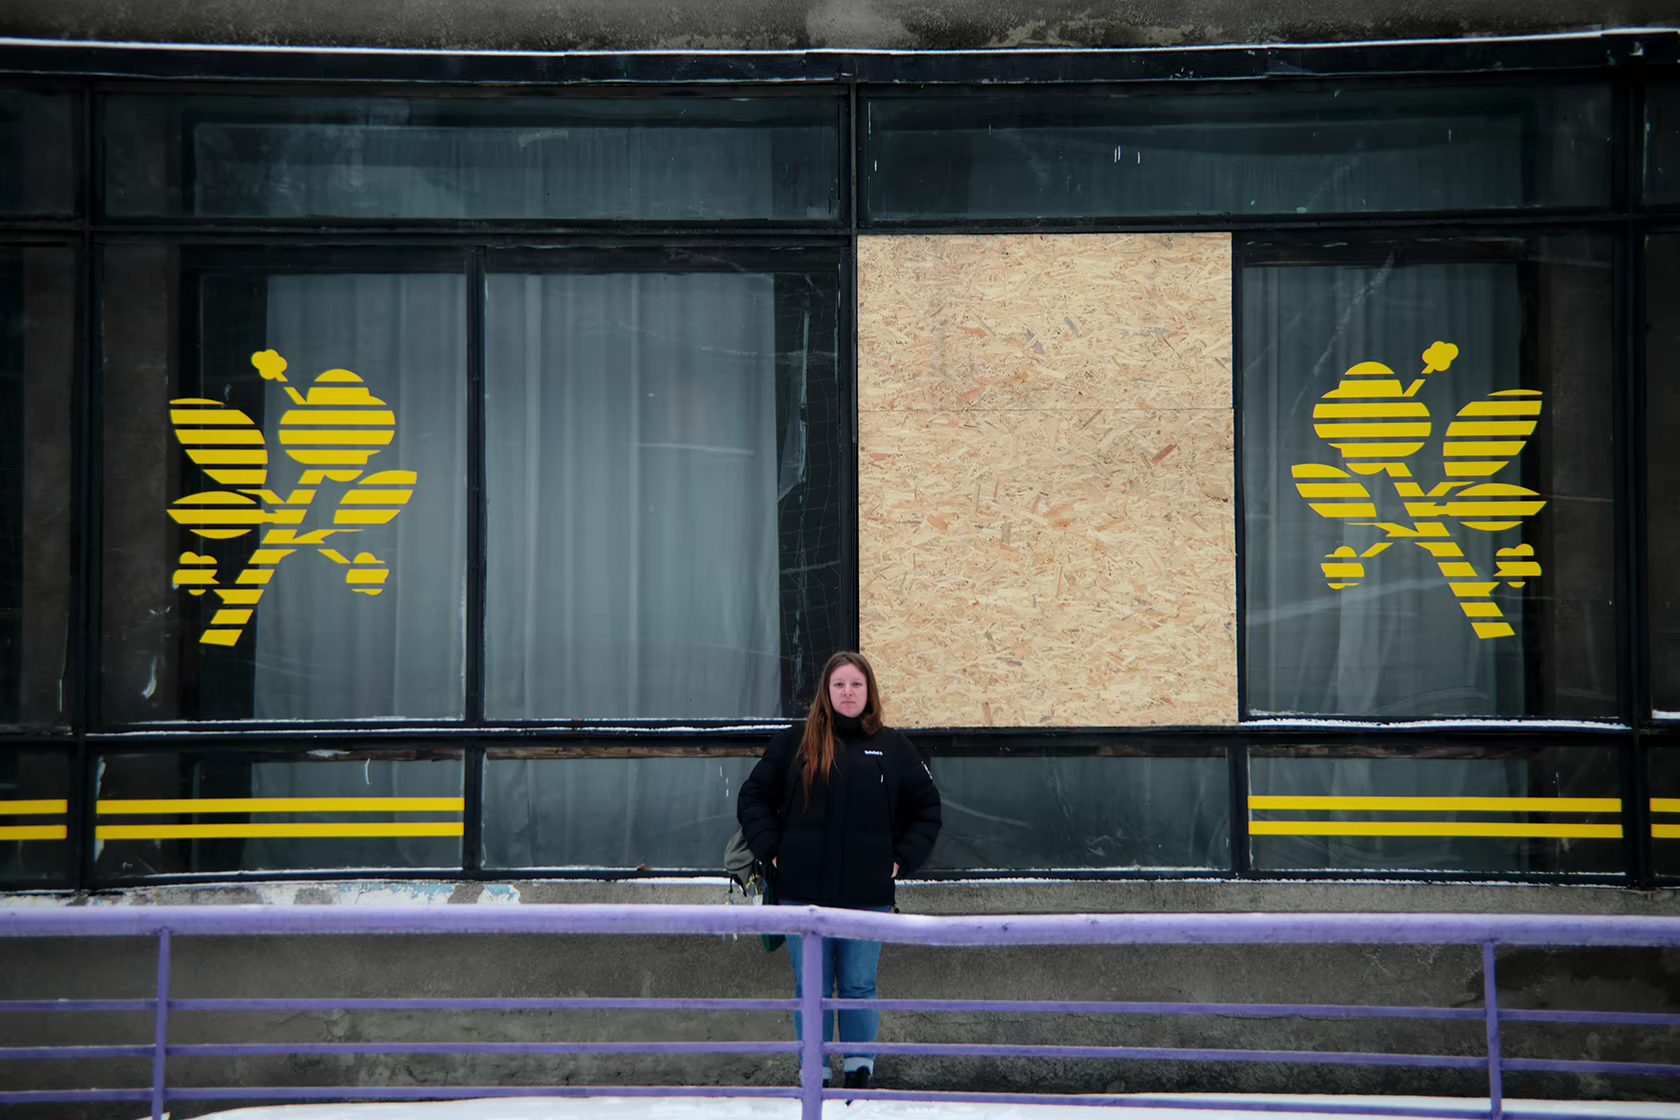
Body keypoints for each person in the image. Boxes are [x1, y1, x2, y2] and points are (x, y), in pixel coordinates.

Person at [736, 651, 942, 1093]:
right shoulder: (795, 743)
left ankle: (859, 1073)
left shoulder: (893, 747)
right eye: (839, 685)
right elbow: (753, 798)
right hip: (801, 894)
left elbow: (926, 810)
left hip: (868, 896)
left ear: (869, 692)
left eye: (856, 684)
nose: (848, 692)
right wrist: (775, 851)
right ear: (826, 692)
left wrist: (899, 860)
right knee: (810, 986)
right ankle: (816, 1074)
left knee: (858, 985)